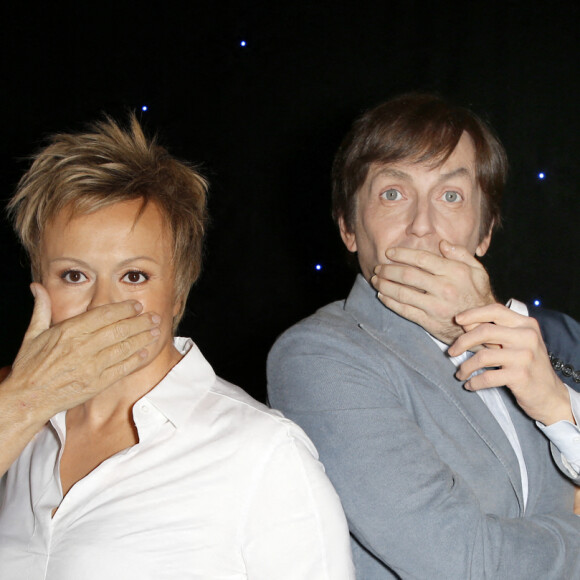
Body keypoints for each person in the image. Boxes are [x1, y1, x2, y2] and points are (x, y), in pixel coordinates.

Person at [0, 116, 354, 579]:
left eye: (134, 276)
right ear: (37, 285)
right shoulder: (21, 432)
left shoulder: (264, 455)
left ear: (179, 294)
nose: (102, 305)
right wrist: (26, 403)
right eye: (74, 275)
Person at [268, 93, 580, 578]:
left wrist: (556, 406)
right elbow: (460, 560)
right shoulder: (319, 354)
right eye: (393, 193)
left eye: (451, 196)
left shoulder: (527, 344)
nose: (421, 225)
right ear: (349, 227)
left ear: (485, 232)